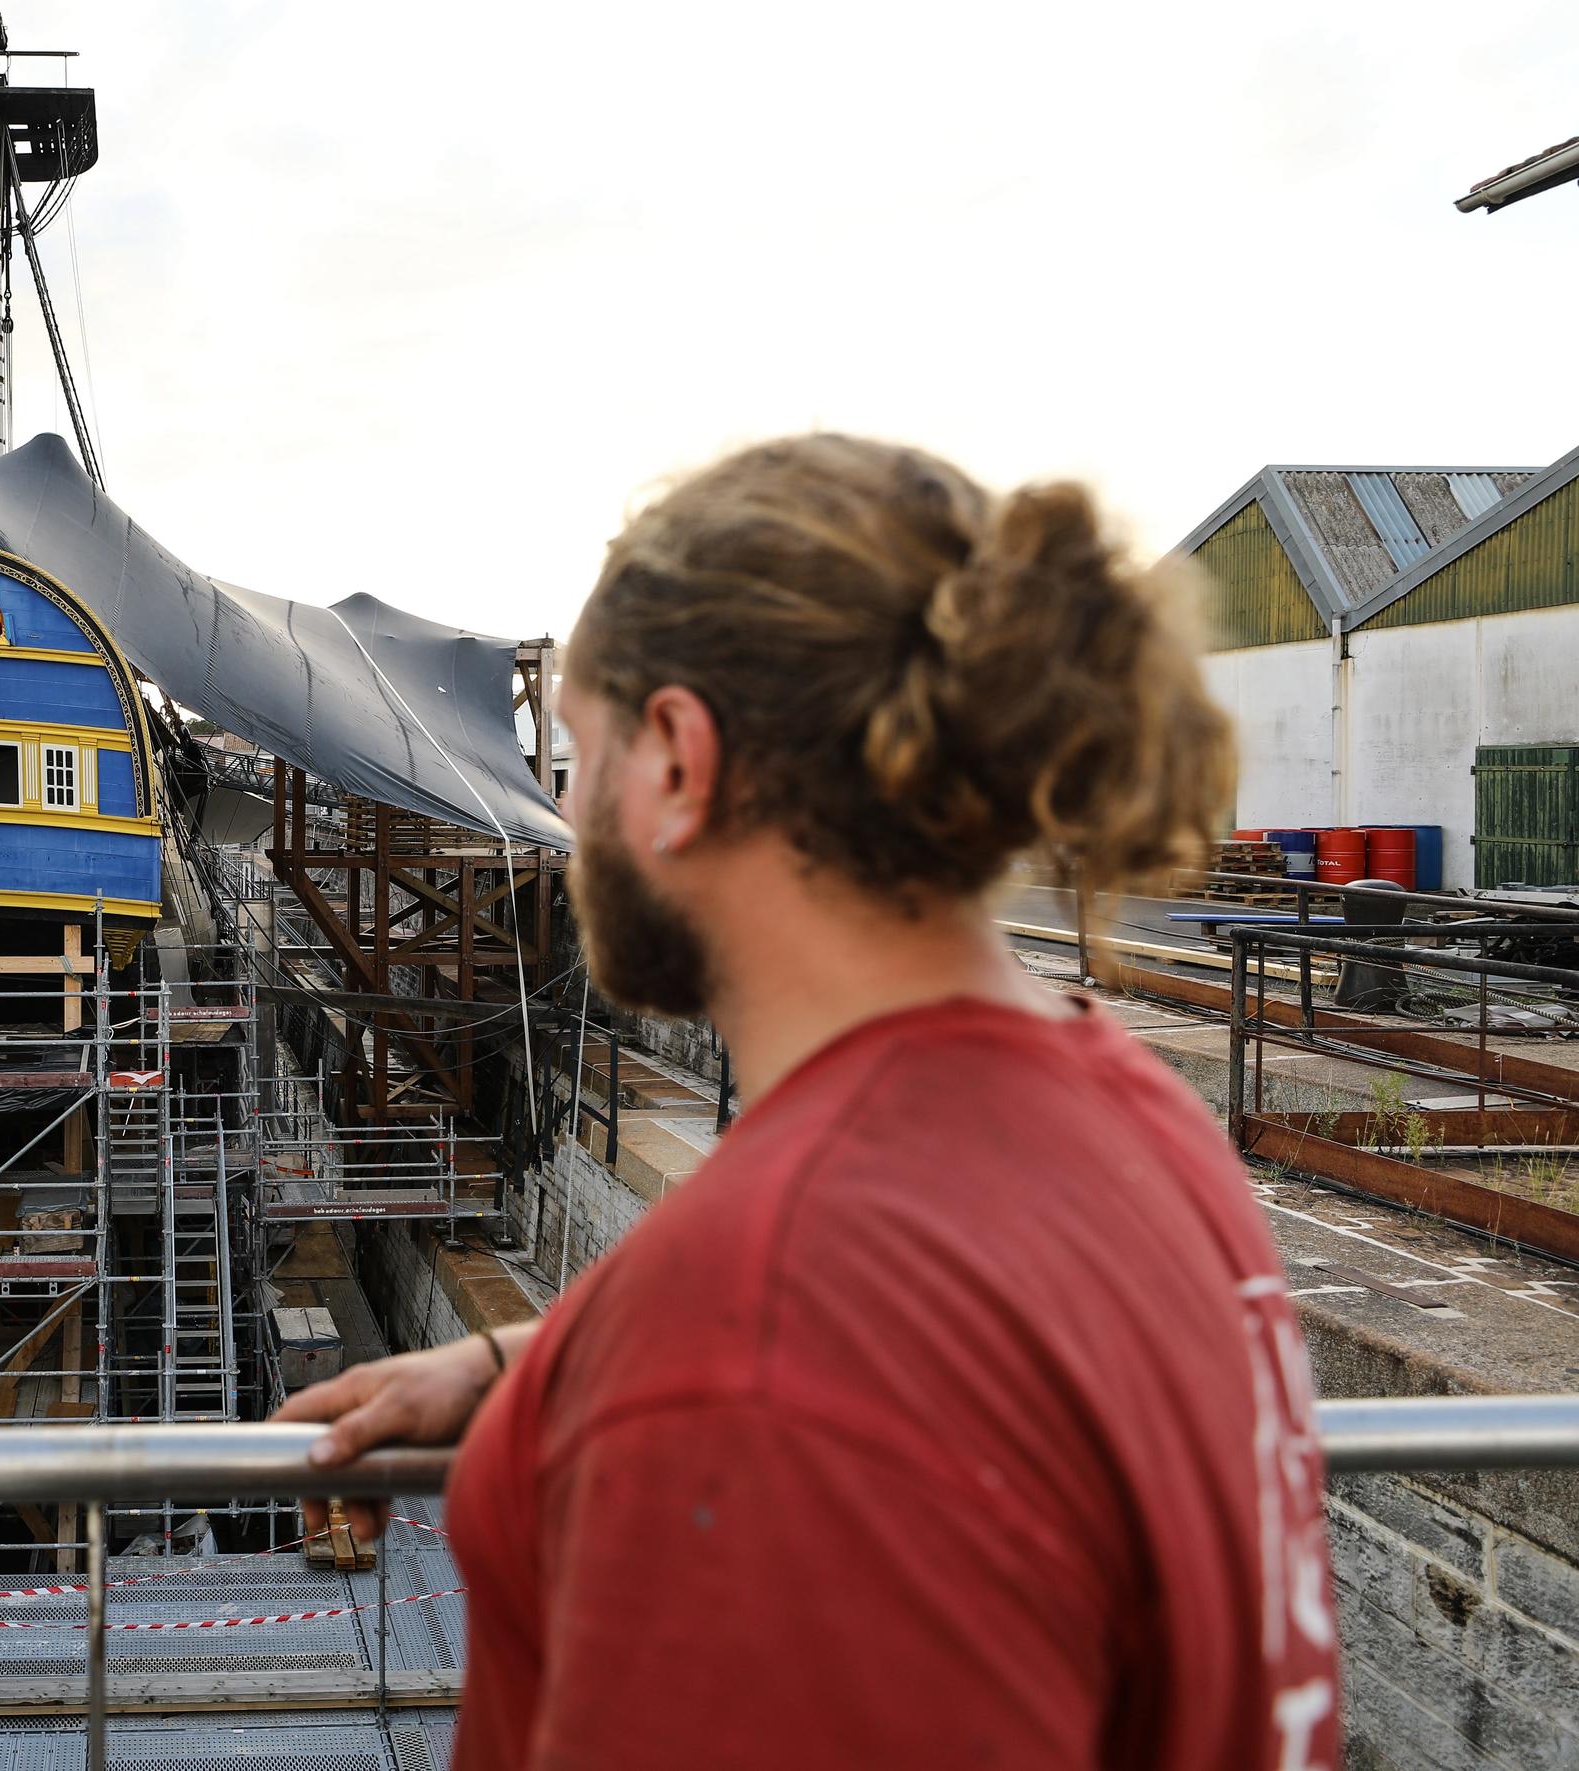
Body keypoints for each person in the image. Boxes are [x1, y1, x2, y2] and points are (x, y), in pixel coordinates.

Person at [278, 436, 1338, 1768]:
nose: (562, 805)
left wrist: (679, 1379)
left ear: (676, 757)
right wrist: (521, 1364)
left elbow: (791, 1351)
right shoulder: (1129, 1114)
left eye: (577, 754)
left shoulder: (766, 1352)